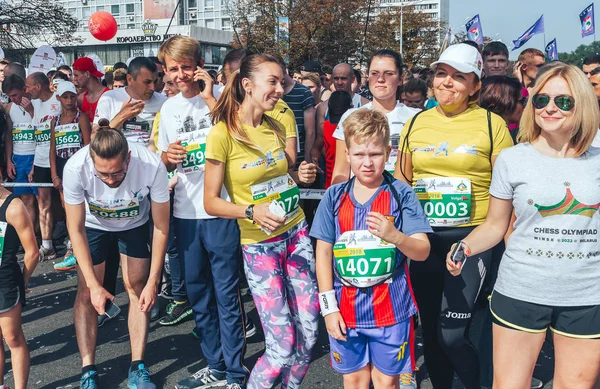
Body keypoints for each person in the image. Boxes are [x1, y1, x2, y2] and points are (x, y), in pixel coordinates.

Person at [446, 62, 600, 389]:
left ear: (583, 104)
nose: (550, 108)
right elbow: (495, 225)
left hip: (587, 294)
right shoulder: (512, 160)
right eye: (541, 100)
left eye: (564, 101)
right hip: (521, 289)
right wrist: (466, 247)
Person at [394, 43, 513, 389]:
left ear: (476, 85)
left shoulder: (492, 126)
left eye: (459, 77)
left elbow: (505, 190)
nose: (447, 82)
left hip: (471, 238)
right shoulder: (417, 122)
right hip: (424, 240)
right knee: (431, 329)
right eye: (442, 74)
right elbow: (403, 181)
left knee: (453, 333)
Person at [204, 53, 319, 389]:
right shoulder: (222, 134)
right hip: (259, 247)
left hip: (296, 234)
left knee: (310, 336)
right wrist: (251, 211)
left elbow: (281, 178)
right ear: (247, 85)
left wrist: (302, 174)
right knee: (282, 349)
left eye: (282, 82)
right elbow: (210, 202)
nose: (280, 89)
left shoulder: (277, 125)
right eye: (273, 81)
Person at [311, 109, 431, 389]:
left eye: (375, 154)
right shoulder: (334, 196)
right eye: (360, 154)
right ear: (348, 154)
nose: (367, 163)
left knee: (386, 382)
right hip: (345, 309)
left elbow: (422, 251)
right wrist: (328, 309)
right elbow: (323, 254)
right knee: (354, 379)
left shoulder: (402, 194)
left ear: (388, 152)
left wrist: (396, 236)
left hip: (391, 311)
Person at [157, 35, 249, 389]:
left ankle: (236, 373)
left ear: (200, 65)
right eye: (174, 69)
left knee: (227, 295)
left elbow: (242, 140)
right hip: (185, 212)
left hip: (221, 211)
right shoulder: (168, 109)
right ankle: (216, 365)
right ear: (166, 71)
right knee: (198, 294)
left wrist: (211, 96)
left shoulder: (225, 99)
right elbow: (163, 160)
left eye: (187, 66)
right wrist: (168, 158)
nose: (181, 75)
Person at [63, 127, 170, 389]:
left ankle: (138, 365)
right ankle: (88, 369)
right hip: (93, 225)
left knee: (137, 287)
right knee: (88, 294)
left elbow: (161, 226)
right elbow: (74, 229)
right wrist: (94, 284)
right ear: (91, 161)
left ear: (129, 159)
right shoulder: (76, 167)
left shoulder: (151, 165)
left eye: (117, 173)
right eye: (103, 174)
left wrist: (154, 280)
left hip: (134, 224)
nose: (110, 180)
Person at [332, 50, 420, 185]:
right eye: (374, 73)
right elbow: (340, 172)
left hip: (401, 199)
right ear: (368, 77)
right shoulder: (350, 116)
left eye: (389, 73)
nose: (380, 79)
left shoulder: (416, 118)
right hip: (359, 200)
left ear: (400, 79)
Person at [0, 172, 40, 389]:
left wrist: (22, 282)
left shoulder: (13, 207)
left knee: (13, 338)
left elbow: (32, 252)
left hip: (5, 281)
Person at [49, 81, 92, 271]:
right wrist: (54, 175)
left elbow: (88, 144)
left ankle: (80, 246)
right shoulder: (55, 121)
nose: (68, 100)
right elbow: (52, 150)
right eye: (65, 97)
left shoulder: (80, 117)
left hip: (78, 165)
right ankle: (72, 247)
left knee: (82, 207)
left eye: (72, 96)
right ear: (58, 98)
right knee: (68, 209)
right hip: (61, 164)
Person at [94, 57, 167, 150]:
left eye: (155, 81)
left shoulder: (164, 102)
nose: (152, 87)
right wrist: (121, 116)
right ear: (130, 79)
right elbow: (95, 139)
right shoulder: (109, 99)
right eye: (147, 82)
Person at [26, 72, 61, 260]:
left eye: (29, 86)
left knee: (64, 202)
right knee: (43, 202)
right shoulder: (36, 105)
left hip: (59, 158)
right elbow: (37, 137)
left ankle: (72, 242)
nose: (27, 90)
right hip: (40, 161)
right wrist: (32, 166)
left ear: (38, 86)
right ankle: (47, 245)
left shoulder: (59, 99)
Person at [2, 74, 38, 228]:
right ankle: (28, 237)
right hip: (19, 158)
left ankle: (43, 238)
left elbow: (42, 130)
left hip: (36, 156)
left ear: (24, 89)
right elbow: (9, 134)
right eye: (10, 96)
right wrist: (9, 160)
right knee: (25, 199)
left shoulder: (36, 104)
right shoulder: (10, 108)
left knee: (42, 199)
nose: (13, 99)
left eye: (15, 95)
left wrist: (31, 111)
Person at [479, 75, 526, 143]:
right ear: (506, 102)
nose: (524, 106)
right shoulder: (511, 138)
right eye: (522, 101)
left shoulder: (475, 130)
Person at [322, 91, 352, 188]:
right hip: (348, 183)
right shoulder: (354, 130)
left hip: (329, 183)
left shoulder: (325, 126)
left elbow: (319, 147)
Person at [72, 57, 109, 125]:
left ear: (87, 74)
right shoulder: (80, 98)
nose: (74, 79)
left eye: (76, 75)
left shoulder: (109, 95)